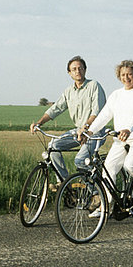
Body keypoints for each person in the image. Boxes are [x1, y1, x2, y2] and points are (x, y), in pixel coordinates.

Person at [80, 59, 133, 217]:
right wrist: (90, 131)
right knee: (109, 169)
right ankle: (105, 207)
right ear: (119, 77)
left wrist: (129, 128)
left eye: (130, 74)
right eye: (123, 75)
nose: (126, 77)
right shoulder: (116, 95)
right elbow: (105, 115)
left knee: (130, 165)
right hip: (121, 139)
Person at [30, 56, 106, 186]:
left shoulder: (94, 86)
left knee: (80, 160)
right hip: (79, 131)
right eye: (74, 69)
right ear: (69, 73)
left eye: (80, 68)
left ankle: (96, 193)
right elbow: (56, 108)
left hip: (95, 132)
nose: (78, 71)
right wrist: (39, 122)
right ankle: (64, 183)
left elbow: (97, 112)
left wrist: (86, 127)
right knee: (53, 146)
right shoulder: (69, 91)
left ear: (85, 70)